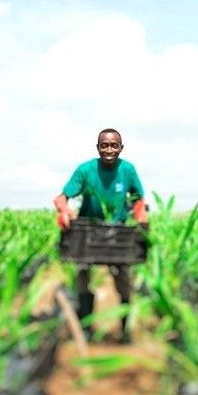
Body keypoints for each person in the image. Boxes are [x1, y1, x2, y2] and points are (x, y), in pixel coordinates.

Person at [53, 128, 147, 342]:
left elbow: (138, 200)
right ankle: (86, 327)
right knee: (83, 273)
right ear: (98, 148)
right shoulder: (86, 170)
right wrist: (64, 211)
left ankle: (125, 330)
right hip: (89, 230)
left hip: (118, 231)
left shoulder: (128, 170)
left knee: (122, 277)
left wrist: (141, 218)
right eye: (104, 145)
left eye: (114, 145)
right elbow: (62, 197)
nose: (109, 149)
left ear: (121, 148)